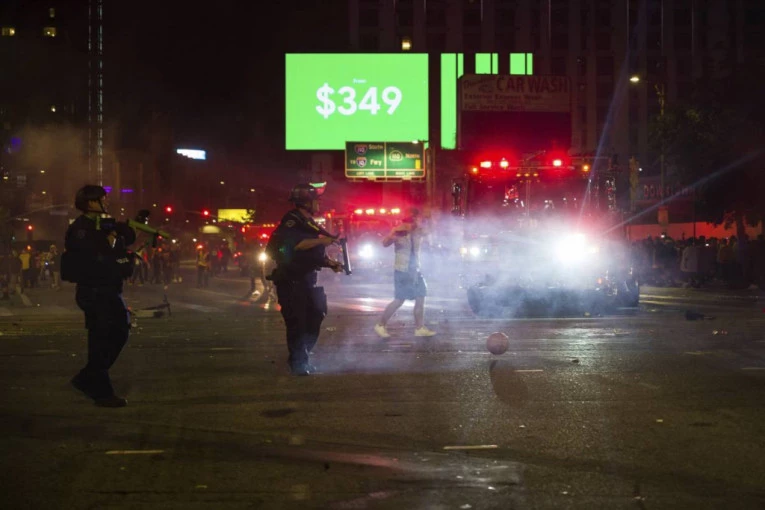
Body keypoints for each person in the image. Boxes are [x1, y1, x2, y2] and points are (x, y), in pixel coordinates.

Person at [64, 185, 136, 408]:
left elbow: (123, 245)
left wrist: (119, 237)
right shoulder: (81, 228)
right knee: (100, 339)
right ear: (90, 202)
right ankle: (100, 391)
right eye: (102, 198)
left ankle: (89, 377)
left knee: (119, 332)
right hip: (94, 290)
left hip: (109, 289)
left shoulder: (104, 224)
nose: (106, 201)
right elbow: (93, 257)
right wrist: (109, 242)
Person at [266, 182, 343, 376]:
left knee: (316, 315)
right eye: (316, 201)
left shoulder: (308, 222)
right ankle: (298, 363)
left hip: (308, 280)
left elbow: (311, 254)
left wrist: (330, 263)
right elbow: (298, 245)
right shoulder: (292, 221)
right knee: (297, 323)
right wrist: (323, 240)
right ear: (306, 202)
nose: (318, 204)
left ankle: (302, 356)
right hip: (292, 281)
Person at [374, 207, 437, 338]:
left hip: (415, 270)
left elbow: (430, 230)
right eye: (415, 218)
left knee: (420, 295)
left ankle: (419, 328)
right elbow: (384, 243)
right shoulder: (399, 230)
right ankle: (380, 325)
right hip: (403, 270)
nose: (417, 221)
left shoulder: (418, 231)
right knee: (399, 299)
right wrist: (393, 236)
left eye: (418, 218)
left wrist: (430, 217)